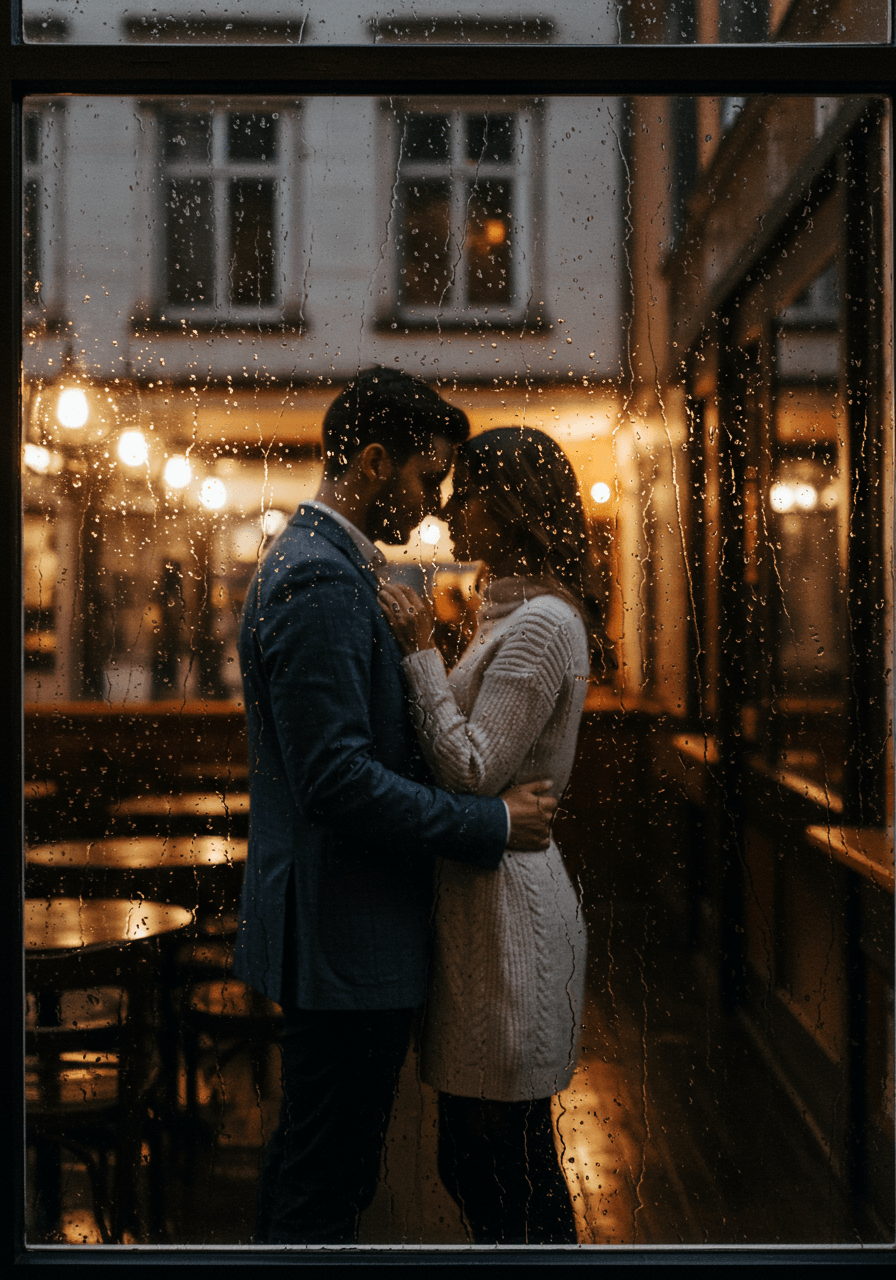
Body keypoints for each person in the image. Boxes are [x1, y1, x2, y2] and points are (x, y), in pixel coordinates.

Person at [233, 369, 558, 1246]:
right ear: (374, 462)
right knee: (326, 1179)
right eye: (427, 477)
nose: (435, 503)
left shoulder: (330, 566)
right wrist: (491, 822)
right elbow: (337, 780)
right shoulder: (321, 579)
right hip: (346, 934)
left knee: (322, 1165)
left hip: (344, 927)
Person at [378, 426, 596, 1245]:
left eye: (464, 491)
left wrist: (418, 652)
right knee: (476, 1156)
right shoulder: (509, 613)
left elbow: (471, 769)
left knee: (502, 1160)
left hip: (512, 918)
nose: (450, 509)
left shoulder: (541, 623)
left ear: (507, 505)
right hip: (486, 900)